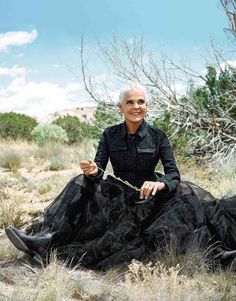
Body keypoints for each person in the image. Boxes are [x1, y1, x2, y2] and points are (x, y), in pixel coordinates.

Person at [5, 84, 236, 270]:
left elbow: (173, 173)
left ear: (146, 106)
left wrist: (159, 183)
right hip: (118, 196)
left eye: (141, 102)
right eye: (130, 102)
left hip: (152, 199)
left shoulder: (158, 136)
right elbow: (99, 166)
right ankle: (48, 239)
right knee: (81, 180)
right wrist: (93, 171)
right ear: (121, 107)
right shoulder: (110, 134)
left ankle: (215, 253)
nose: (136, 106)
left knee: (185, 193)